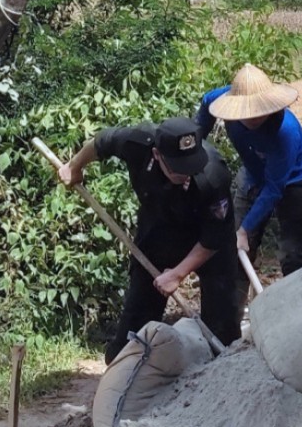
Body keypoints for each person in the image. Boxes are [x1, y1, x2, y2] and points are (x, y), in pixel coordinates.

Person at [59, 117, 240, 363]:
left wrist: (177, 274)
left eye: (190, 166)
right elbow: (101, 142)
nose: (185, 174)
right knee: (138, 313)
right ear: (156, 154)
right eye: (177, 168)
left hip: (207, 238)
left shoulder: (213, 175)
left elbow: (214, 237)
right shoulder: (136, 142)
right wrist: (75, 166)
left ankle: (223, 372)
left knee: (223, 326)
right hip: (159, 226)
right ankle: (124, 367)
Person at [196, 63, 302, 291]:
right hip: (253, 173)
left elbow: (274, 187)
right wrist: (196, 143)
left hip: (294, 178)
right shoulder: (220, 98)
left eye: (259, 111)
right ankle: (233, 316)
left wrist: (245, 229)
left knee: (292, 253)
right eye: (247, 112)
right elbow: (205, 103)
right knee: (236, 249)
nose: (253, 118)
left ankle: (298, 307)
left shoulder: (285, 131)